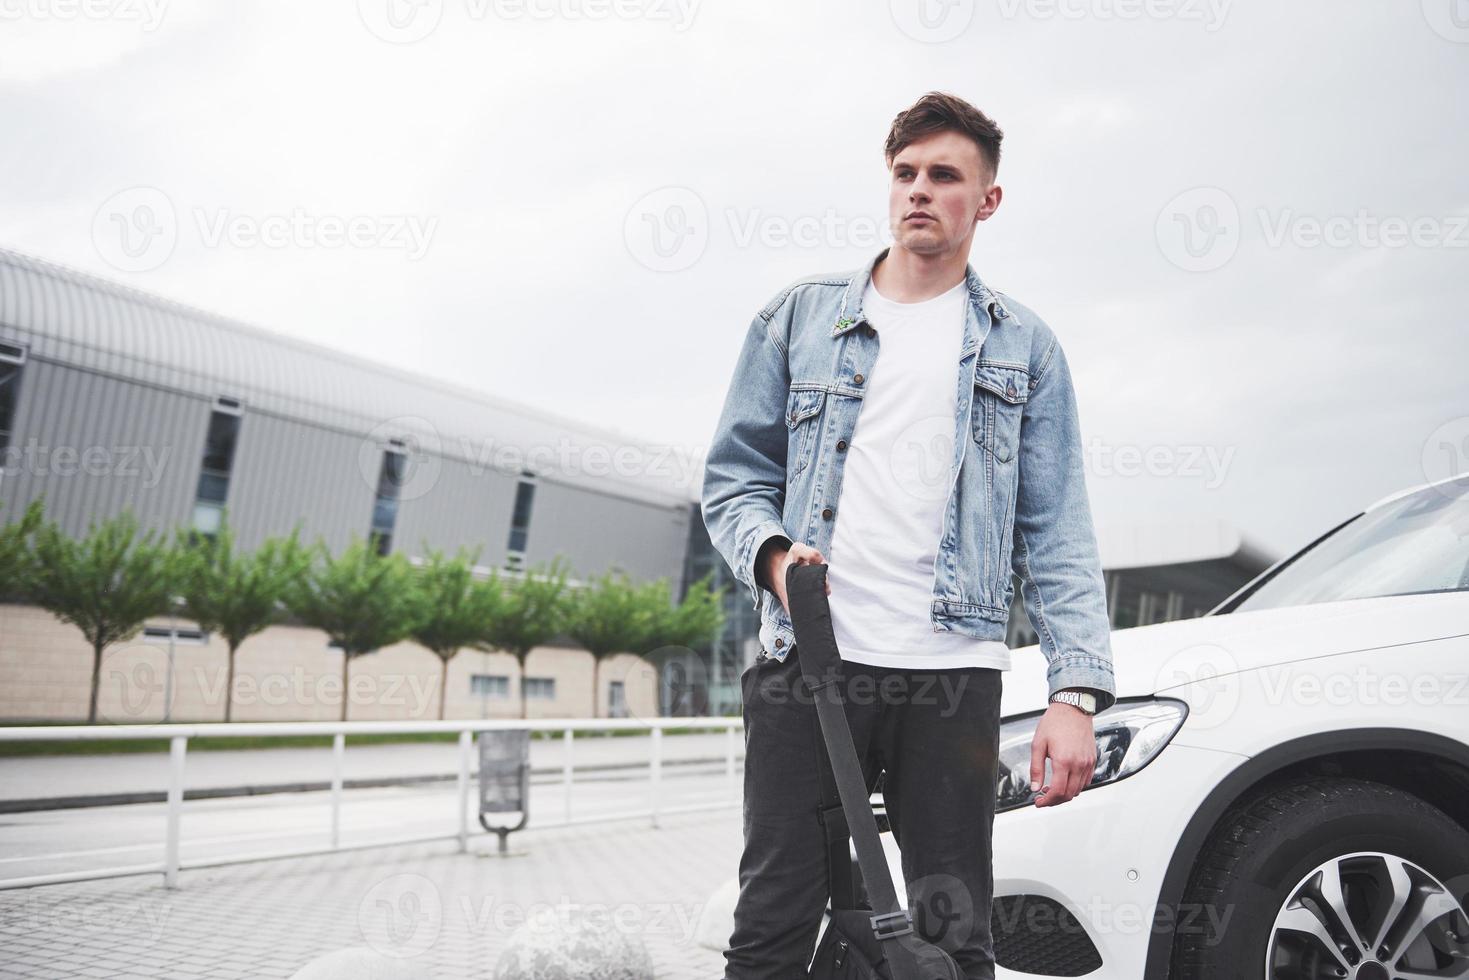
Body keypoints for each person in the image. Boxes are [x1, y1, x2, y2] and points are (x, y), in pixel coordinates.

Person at [700, 91, 1117, 980]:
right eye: (904, 173)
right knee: (771, 925)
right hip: (809, 663)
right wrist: (774, 560)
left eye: (943, 175)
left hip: (952, 674)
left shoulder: (1023, 348)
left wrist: (1073, 693)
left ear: (986, 200)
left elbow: (1055, 530)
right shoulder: (797, 320)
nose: (919, 191)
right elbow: (733, 479)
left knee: (952, 932)